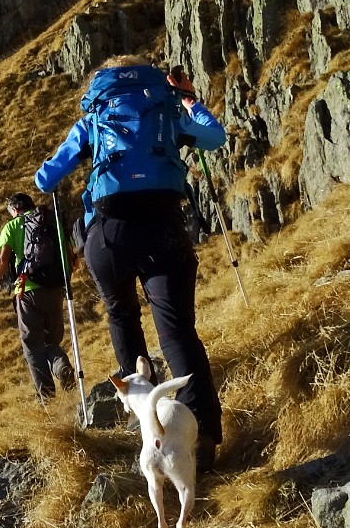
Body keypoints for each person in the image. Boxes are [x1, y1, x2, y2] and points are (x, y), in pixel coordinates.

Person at [34, 56, 226, 471]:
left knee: (122, 315)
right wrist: (190, 100)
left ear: (103, 83)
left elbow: (46, 180)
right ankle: (204, 435)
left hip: (110, 233)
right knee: (177, 332)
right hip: (163, 226)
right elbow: (214, 138)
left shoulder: (97, 116)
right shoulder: (167, 108)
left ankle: (150, 430)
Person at [0, 192, 71, 402]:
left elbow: (3, 260)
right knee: (52, 341)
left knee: (32, 345)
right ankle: (61, 365)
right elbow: (69, 254)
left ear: (14, 209)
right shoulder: (51, 220)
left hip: (27, 290)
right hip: (56, 289)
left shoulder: (13, 226)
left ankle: (46, 399)